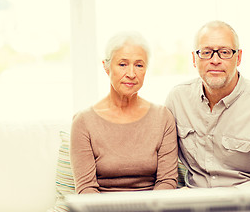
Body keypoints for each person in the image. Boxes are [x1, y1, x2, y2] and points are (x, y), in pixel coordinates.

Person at [165, 21, 250, 188]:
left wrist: (219, 202)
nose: (215, 60)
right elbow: (164, 164)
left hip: (242, 204)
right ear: (194, 59)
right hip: (191, 201)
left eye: (224, 52)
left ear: (238, 58)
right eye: (206, 52)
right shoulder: (177, 99)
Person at [70, 32, 178, 194]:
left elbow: (167, 182)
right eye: (122, 64)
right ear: (106, 67)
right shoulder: (83, 121)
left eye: (139, 65)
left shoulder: (163, 117)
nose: (131, 74)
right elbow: (86, 189)